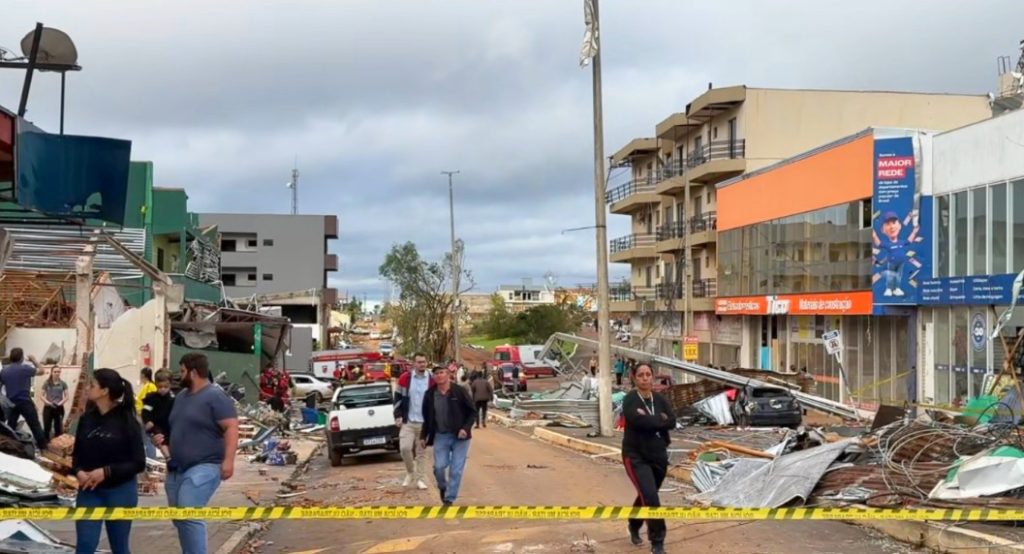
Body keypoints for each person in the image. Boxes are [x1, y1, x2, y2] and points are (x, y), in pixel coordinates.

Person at [154, 353, 239, 554]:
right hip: (176, 468)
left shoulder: (215, 396)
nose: (179, 376)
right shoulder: (181, 398)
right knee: (180, 518)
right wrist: (162, 439)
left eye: (182, 371)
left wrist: (229, 461)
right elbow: (176, 426)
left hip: (205, 465)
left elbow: (231, 427)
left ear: (193, 372)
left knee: (189, 511)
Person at [71, 368, 146, 554]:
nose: (87, 388)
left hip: (120, 491)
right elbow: (76, 455)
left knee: (119, 547)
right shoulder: (86, 419)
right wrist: (78, 471)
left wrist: (106, 472)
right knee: (85, 546)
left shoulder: (128, 422)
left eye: (92, 385)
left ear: (104, 391)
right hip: (89, 491)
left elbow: (138, 462)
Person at [621, 363, 675, 554]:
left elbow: (672, 421)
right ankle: (657, 542)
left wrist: (652, 420)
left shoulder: (659, 399)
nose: (645, 378)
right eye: (641, 375)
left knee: (647, 494)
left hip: (658, 455)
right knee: (651, 496)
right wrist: (659, 420)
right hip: (636, 456)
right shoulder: (630, 400)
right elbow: (635, 420)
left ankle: (633, 524)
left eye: (648, 374)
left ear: (652, 377)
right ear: (634, 378)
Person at [420, 365, 476, 505]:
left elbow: (472, 412)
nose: (439, 375)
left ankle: (449, 499)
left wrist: (465, 428)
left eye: (442, 372)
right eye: (436, 373)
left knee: (456, 470)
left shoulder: (459, 391)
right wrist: (423, 436)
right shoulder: (430, 394)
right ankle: (443, 487)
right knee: (439, 467)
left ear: (448, 374)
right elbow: (427, 418)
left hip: (460, 438)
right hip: (441, 435)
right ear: (433, 377)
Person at [394, 353, 433, 490]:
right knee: (404, 448)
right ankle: (410, 472)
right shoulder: (405, 378)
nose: (422, 364)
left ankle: (421, 479)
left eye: (424, 362)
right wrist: (397, 415)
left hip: (424, 423)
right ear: (413, 363)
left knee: (421, 453)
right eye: (419, 362)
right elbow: (398, 397)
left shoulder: (432, 379)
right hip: (408, 421)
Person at [1, 348, 47, 449]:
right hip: (25, 402)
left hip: (11, 403)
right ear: (22, 358)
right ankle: (44, 449)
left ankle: (9, 449)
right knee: (35, 426)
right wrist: (34, 360)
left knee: (10, 427)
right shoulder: (25, 368)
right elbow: (42, 371)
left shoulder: (4, 371)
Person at [141, 370, 175, 459]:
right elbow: (145, 411)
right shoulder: (152, 398)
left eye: (165, 387)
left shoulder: (173, 398)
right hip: (155, 423)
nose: (163, 389)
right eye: (160, 387)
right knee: (160, 438)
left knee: (169, 439)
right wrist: (147, 421)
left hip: (168, 424)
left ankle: (171, 455)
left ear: (170, 385)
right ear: (156, 385)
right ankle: (167, 456)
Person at [41, 366, 68, 440]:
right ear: (52, 372)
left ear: (60, 373)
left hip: (59, 408)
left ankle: (57, 445)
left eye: (58, 372)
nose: (57, 373)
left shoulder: (63, 383)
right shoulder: (46, 383)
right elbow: (41, 396)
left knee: (58, 428)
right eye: (55, 372)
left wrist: (60, 403)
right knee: (47, 427)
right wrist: (48, 403)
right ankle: (46, 444)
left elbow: (66, 396)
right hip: (48, 408)